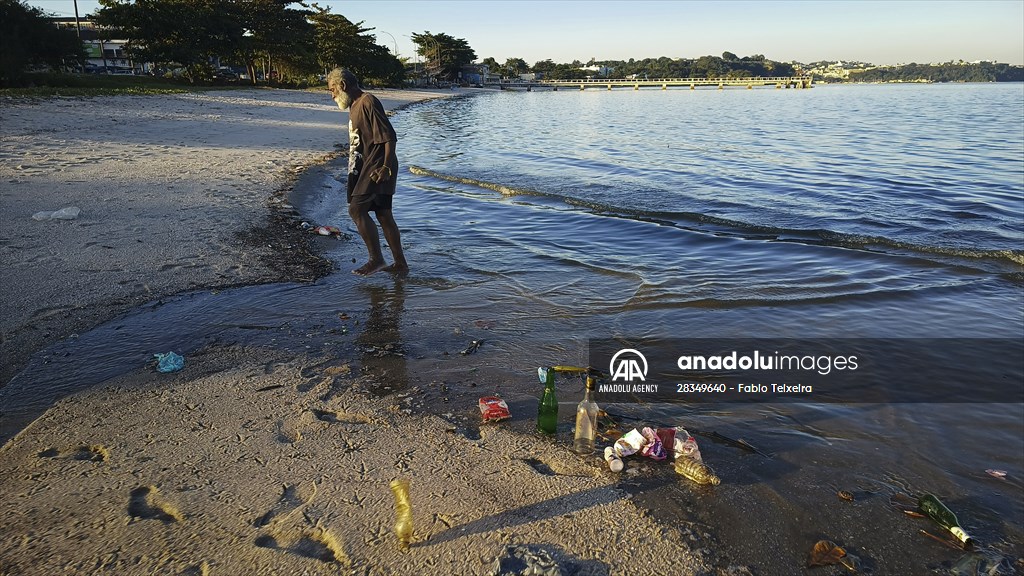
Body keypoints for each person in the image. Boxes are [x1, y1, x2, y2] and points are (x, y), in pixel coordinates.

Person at [327, 68, 408, 276]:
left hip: (378, 165)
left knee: (356, 210)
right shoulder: (354, 105)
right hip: (364, 165)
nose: (332, 95)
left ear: (343, 85)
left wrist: (386, 167)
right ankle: (400, 264)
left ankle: (376, 259)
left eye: (332, 90)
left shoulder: (368, 101)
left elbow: (389, 137)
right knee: (383, 214)